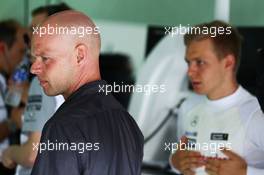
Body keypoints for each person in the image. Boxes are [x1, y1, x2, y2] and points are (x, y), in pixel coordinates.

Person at [30, 10, 144, 175]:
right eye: (34, 58)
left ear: (79, 55)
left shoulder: (63, 126)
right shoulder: (129, 125)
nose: (34, 68)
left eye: (45, 58)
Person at [170, 20, 264, 175]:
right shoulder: (187, 107)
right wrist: (175, 161)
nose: (190, 72)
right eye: (189, 62)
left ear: (228, 63)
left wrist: (246, 172)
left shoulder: (256, 115)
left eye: (200, 62)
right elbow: (179, 160)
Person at [1, 4, 70, 175]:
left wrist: (10, 153)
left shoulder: (43, 80)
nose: (30, 40)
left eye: (36, 30)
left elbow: (33, 153)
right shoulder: (80, 80)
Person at [0, 19, 27, 175]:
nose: (23, 59)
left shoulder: (7, 81)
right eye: (20, 52)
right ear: (2, 48)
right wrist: (13, 122)